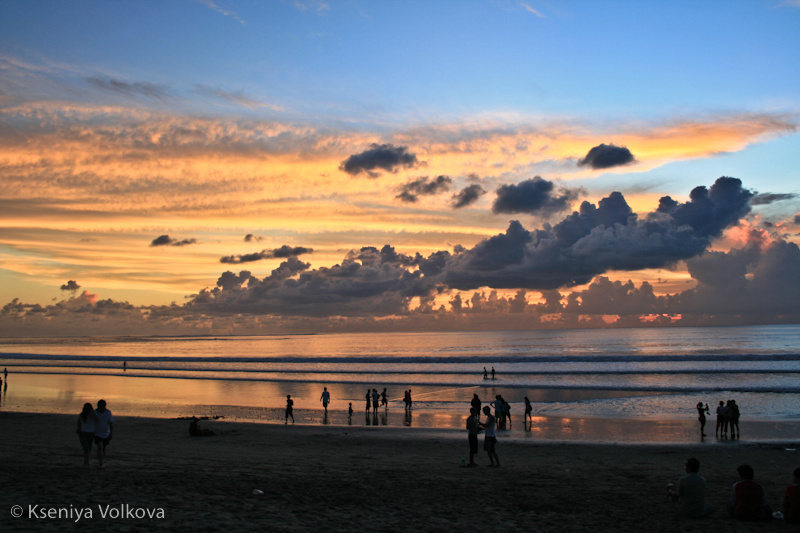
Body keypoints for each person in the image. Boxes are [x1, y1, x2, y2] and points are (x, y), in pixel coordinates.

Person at [94, 399, 114, 469]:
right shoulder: (95, 412)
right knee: (99, 447)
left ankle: (102, 458)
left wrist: (111, 433)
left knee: (104, 447)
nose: (100, 408)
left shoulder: (108, 412)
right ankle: (100, 463)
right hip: (97, 433)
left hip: (106, 433)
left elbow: (111, 423)